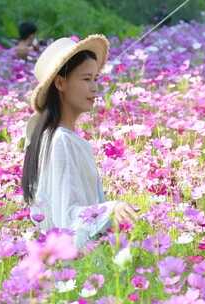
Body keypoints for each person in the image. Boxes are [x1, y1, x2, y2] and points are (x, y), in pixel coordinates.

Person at [22, 35, 139, 248]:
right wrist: (111, 209)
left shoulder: (61, 138)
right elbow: (66, 219)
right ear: (60, 82)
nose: (95, 88)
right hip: (71, 268)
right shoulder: (60, 140)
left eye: (96, 79)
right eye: (86, 79)